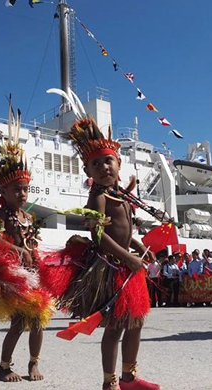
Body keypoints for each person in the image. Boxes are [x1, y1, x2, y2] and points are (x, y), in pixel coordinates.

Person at [41, 115, 159, 390]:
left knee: (136, 321)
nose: (103, 166)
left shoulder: (123, 195)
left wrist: (138, 246)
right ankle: (110, 382)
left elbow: (125, 229)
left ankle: (129, 377)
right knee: (116, 326)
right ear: (88, 171)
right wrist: (128, 257)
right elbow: (98, 234)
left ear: (119, 164)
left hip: (127, 264)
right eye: (96, 163)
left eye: (108, 161)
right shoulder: (98, 196)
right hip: (110, 266)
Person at [0, 106, 51, 382]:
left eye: (25, 189)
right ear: (3, 190)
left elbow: (32, 243)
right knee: (18, 323)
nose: (22, 193)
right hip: (13, 276)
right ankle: (4, 366)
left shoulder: (27, 215)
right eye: (16, 189)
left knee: (39, 320)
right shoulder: (1, 214)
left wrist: (34, 258)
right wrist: (18, 250)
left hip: (31, 275)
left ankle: (33, 364)